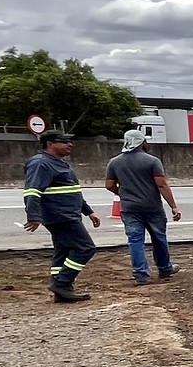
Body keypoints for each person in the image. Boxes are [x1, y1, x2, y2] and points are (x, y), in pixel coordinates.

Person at [22, 129, 102, 302]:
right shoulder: (40, 163)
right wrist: (33, 215)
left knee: (63, 251)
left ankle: (61, 291)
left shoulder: (59, 163)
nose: (69, 145)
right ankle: (62, 283)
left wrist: (88, 211)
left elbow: (71, 191)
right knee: (85, 248)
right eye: (64, 142)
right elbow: (32, 191)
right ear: (50, 144)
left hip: (68, 213)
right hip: (60, 216)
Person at [104, 128, 183, 285]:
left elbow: (109, 185)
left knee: (135, 240)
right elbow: (161, 185)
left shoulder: (114, 162)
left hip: (129, 209)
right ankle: (164, 268)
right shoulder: (152, 161)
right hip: (152, 207)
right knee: (159, 238)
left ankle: (140, 274)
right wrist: (173, 206)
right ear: (141, 142)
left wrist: (122, 193)